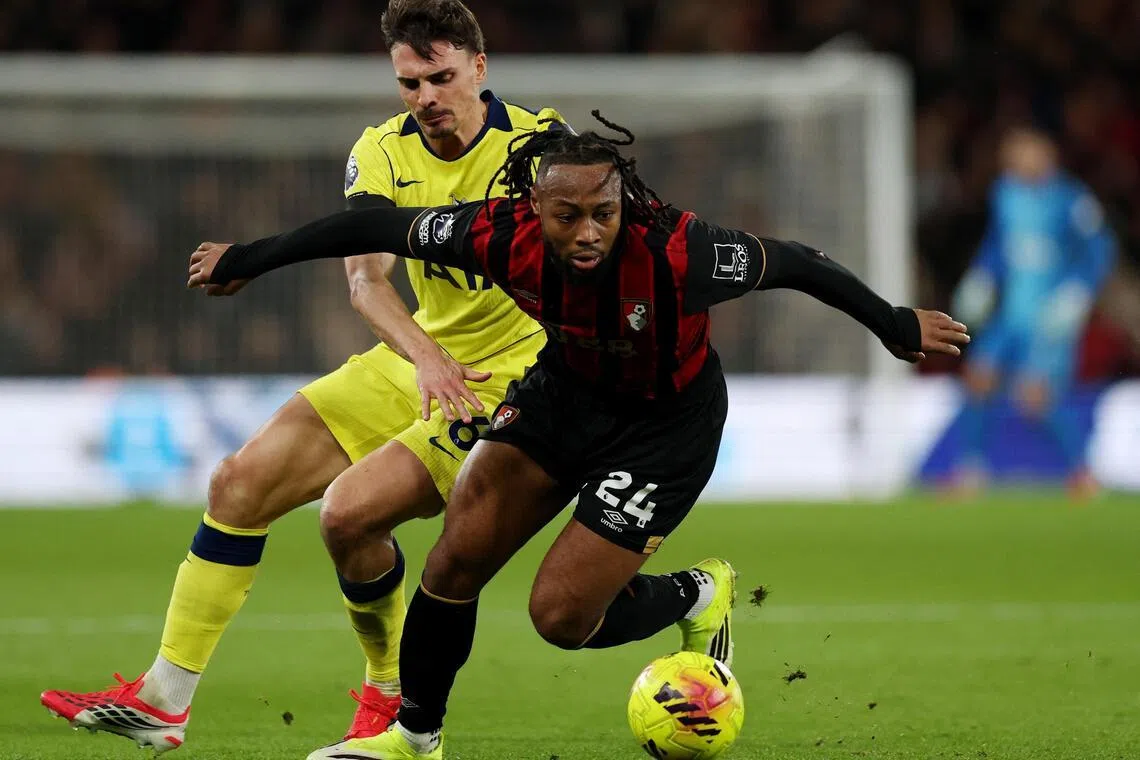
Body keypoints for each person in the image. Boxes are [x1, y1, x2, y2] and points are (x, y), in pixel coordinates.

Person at [188, 115, 971, 759]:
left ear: (623, 200)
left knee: (560, 618)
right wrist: (249, 260)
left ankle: (697, 592)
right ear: (536, 209)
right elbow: (369, 224)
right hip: (565, 395)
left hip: (665, 428)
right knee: (457, 553)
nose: (589, 231)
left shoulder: (678, 251)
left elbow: (799, 263)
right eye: (569, 216)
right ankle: (414, 736)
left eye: (604, 212)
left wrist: (894, 323)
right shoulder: (497, 234)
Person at [40, 0, 568, 752]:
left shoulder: (540, 145)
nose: (425, 98)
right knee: (238, 484)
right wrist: (424, 356)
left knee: (348, 516)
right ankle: (164, 699)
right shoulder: (381, 151)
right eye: (409, 82)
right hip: (420, 356)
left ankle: (393, 700)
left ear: (479, 70)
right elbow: (366, 281)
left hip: (516, 377)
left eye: (440, 78)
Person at [950, 126, 1115, 498]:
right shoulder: (1006, 194)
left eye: (1023, 155)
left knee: (1035, 398)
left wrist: (1077, 292)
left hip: (1048, 317)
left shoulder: (1071, 199)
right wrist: (981, 277)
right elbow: (997, 245)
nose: (1015, 164)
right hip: (1010, 315)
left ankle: (1083, 474)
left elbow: (1100, 250)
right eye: (1010, 158)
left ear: (1046, 156)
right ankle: (971, 472)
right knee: (977, 379)